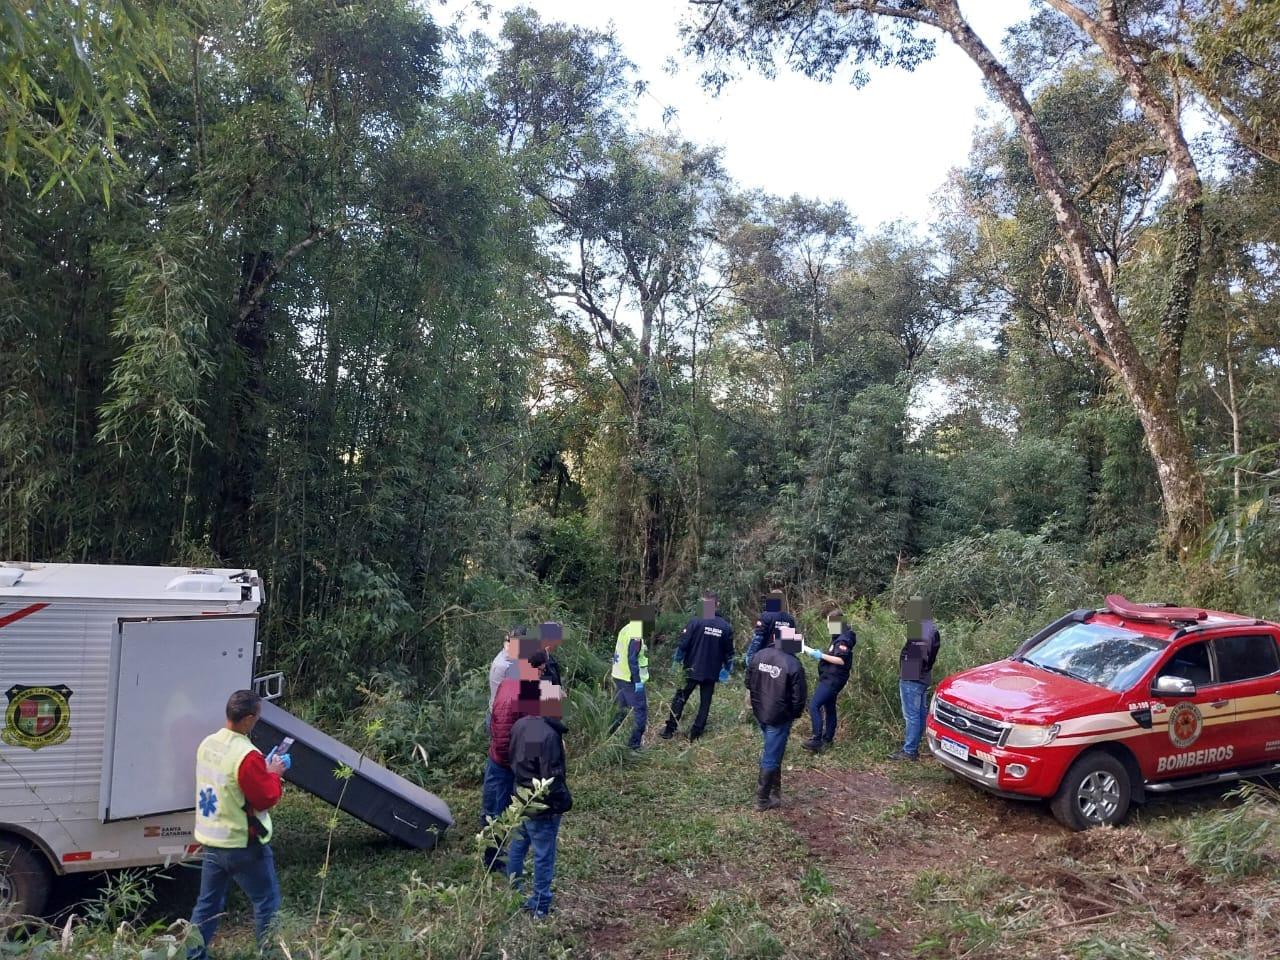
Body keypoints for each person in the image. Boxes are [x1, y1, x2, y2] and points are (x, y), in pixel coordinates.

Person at [189, 690, 287, 959]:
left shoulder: (208, 744)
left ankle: (193, 955)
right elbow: (265, 798)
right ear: (247, 719)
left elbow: (229, 783)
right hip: (242, 844)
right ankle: (270, 955)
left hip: (212, 841)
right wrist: (273, 774)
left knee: (207, 905)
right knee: (266, 902)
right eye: (257, 717)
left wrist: (260, 771)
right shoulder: (247, 755)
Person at [507, 680, 573, 917]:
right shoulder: (549, 735)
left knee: (517, 847)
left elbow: (514, 757)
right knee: (543, 855)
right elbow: (551, 776)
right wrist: (563, 802)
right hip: (542, 806)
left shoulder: (521, 725)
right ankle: (540, 905)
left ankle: (512, 894)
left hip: (521, 797)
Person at [483, 649, 547, 870]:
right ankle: (493, 860)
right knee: (497, 812)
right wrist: (516, 763)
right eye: (541, 670)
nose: (542, 674)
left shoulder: (517, 682)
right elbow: (503, 737)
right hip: (504, 763)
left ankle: (499, 856)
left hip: (510, 760)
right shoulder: (515, 692)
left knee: (505, 809)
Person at [746, 624, 807, 811]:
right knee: (771, 755)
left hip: (761, 712)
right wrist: (793, 714)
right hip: (779, 717)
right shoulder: (793, 664)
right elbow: (799, 698)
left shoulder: (759, 655)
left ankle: (774, 791)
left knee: (774, 749)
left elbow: (748, 682)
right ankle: (762, 799)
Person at [662, 592, 734, 741]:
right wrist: (727, 669)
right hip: (711, 672)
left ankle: (669, 731)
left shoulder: (695, 621)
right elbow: (729, 653)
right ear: (717, 605)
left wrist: (676, 662)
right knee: (705, 703)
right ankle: (695, 734)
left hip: (691, 669)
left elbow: (683, 645)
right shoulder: (725, 626)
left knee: (680, 698)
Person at [890, 596, 941, 762]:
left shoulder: (918, 628)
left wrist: (907, 674)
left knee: (911, 716)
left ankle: (909, 751)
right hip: (924, 677)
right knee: (919, 714)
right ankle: (914, 747)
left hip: (912, 678)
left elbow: (916, 654)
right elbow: (929, 656)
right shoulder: (932, 629)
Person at [801, 610, 856, 753]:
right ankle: (828, 739)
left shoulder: (844, 639)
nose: (828, 626)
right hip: (831, 677)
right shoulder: (838, 636)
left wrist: (820, 655)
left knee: (814, 705)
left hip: (833, 679)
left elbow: (840, 660)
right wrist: (819, 654)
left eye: (830, 623)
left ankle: (816, 739)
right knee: (829, 707)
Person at [609, 605, 652, 750]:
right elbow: (632, 659)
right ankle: (634, 746)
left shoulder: (625, 629)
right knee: (640, 711)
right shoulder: (636, 633)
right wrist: (638, 682)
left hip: (619, 675)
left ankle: (610, 738)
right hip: (630, 680)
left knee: (620, 711)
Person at [742, 589, 796, 669]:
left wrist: (749, 658)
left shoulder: (766, 616)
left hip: (766, 657)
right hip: (782, 660)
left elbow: (758, 639)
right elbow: (791, 644)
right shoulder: (790, 619)